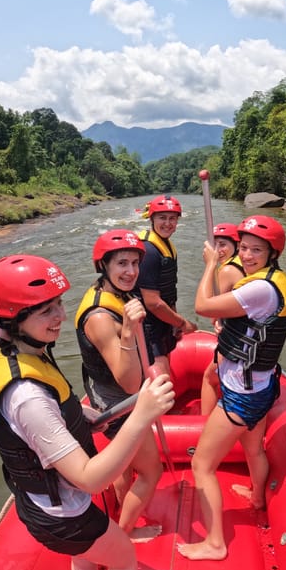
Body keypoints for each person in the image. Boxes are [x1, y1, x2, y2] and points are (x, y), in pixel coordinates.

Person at [0, 254, 175, 570]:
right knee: (123, 556)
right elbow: (91, 477)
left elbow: (55, 410)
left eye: (58, 303)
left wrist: (86, 415)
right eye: (46, 311)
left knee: (85, 557)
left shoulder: (20, 352)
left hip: (50, 503)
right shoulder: (26, 396)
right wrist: (142, 413)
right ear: (11, 322)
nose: (61, 316)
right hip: (63, 515)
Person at [178, 215, 286, 561]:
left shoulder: (259, 288)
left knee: (202, 465)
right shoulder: (273, 280)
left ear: (273, 254)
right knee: (253, 449)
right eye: (243, 248)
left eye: (256, 250)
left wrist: (210, 265)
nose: (246, 255)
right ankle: (258, 497)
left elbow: (201, 305)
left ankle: (215, 543)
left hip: (243, 396)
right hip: (262, 386)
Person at [74, 229, 164, 542]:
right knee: (152, 472)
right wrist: (128, 329)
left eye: (135, 263)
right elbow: (127, 383)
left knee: (125, 467)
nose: (131, 271)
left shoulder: (114, 292)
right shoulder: (100, 316)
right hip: (119, 404)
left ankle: (120, 515)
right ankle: (126, 533)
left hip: (107, 395)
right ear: (105, 266)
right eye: (122, 264)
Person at [136, 194, 197, 376]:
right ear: (152, 218)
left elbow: (168, 289)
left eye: (172, 219)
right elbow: (152, 302)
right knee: (162, 384)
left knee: (167, 374)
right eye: (162, 218)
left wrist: (174, 322)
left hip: (161, 321)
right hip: (148, 327)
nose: (168, 223)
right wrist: (182, 322)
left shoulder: (166, 245)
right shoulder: (149, 250)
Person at [200, 222, 244, 415]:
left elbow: (205, 305)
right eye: (214, 245)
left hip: (237, 340)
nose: (218, 250)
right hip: (245, 335)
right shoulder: (244, 266)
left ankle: (204, 424)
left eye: (223, 244)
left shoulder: (226, 271)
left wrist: (210, 266)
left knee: (209, 378)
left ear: (235, 245)